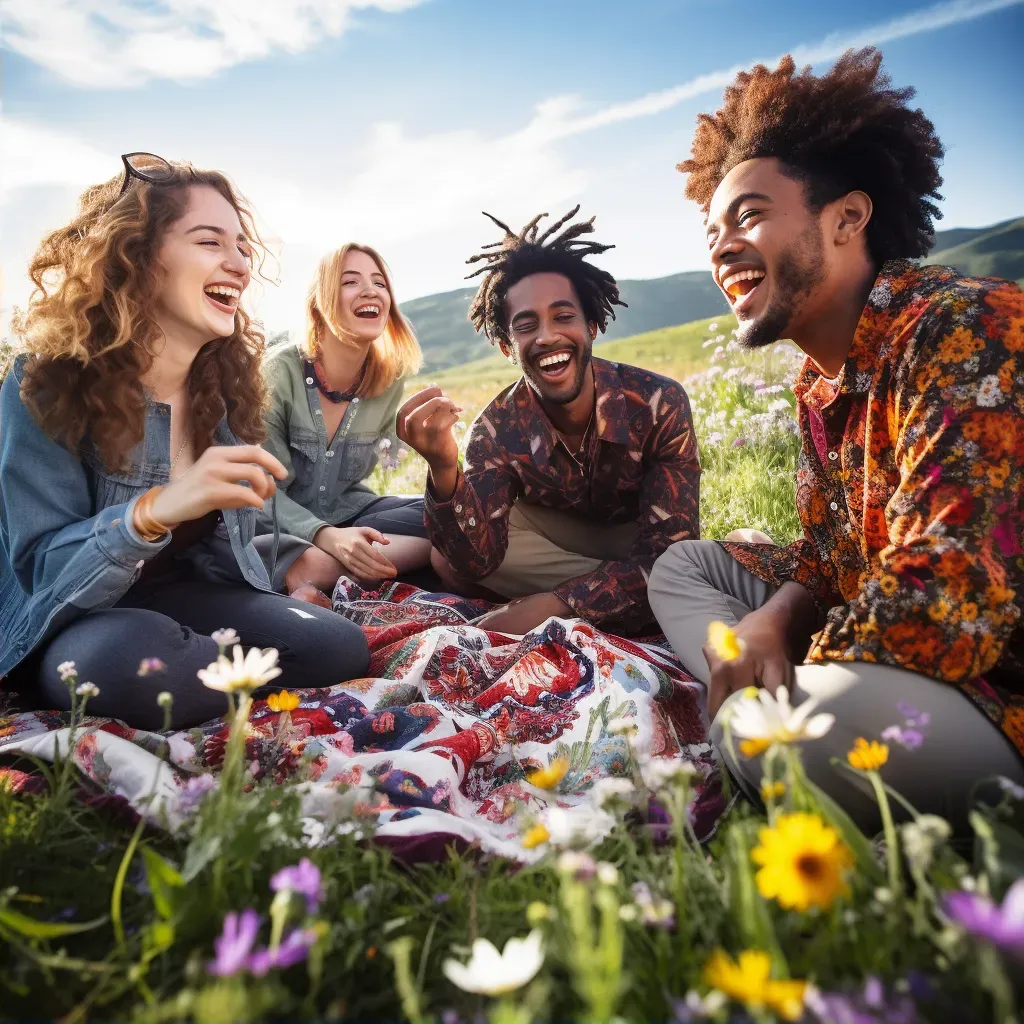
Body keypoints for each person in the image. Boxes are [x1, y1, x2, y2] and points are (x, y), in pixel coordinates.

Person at [648, 49, 1024, 832]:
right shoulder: (821, 381)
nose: (720, 247)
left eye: (748, 215)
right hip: (894, 655)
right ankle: (755, 713)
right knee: (684, 566)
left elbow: (942, 607)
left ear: (847, 219)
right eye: (711, 231)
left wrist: (790, 670)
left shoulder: (965, 327)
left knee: (768, 739)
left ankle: (748, 730)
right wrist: (777, 616)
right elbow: (827, 560)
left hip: (996, 694)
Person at [0, 154, 370, 731]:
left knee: (335, 647)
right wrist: (151, 513)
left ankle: (195, 673)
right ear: (138, 256)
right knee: (127, 661)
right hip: (64, 621)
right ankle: (189, 674)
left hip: (169, 600)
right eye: (210, 242)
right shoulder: (44, 381)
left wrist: (290, 568)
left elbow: (213, 548)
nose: (239, 266)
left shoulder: (223, 391)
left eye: (243, 248)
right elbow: (40, 572)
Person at [397, 207, 701, 636]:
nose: (547, 337)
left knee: (679, 562)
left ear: (592, 325)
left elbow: (671, 544)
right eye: (526, 325)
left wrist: (556, 604)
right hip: (564, 544)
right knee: (448, 558)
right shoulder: (495, 430)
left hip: (642, 537)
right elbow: (475, 561)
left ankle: (644, 591)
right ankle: (642, 595)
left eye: (563, 316)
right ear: (507, 347)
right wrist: (443, 468)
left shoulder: (657, 402)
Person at [262, 244, 429, 593]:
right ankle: (318, 567)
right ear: (320, 302)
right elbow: (257, 493)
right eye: (350, 281)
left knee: (448, 517)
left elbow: (387, 464)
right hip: (276, 528)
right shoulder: (277, 373)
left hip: (352, 516)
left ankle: (327, 572)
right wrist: (325, 535)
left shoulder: (390, 380)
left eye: (380, 283)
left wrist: (434, 452)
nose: (371, 291)